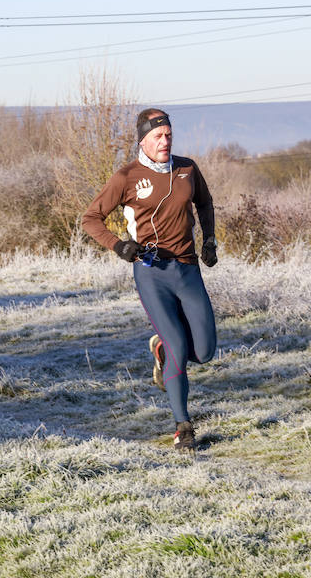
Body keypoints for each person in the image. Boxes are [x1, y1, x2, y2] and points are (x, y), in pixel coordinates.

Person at [82, 108, 217, 452]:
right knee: (178, 346)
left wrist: (210, 240)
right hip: (151, 271)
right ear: (143, 140)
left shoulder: (187, 168)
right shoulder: (126, 177)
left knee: (204, 352)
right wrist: (118, 245)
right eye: (158, 136)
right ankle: (182, 426)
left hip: (187, 270)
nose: (165, 140)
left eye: (169, 134)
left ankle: (159, 348)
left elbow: (205, 202)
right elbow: (91, 218)